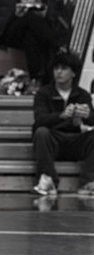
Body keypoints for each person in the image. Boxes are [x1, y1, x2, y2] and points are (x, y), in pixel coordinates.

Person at [32, 50, 94, 198]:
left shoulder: (83, 94)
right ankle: (48, 180)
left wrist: (88, 115)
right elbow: (40, 120)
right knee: (41, 132)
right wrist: (61, 116)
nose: (58, 72)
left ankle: (88, 182)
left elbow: (92, 121)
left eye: (64, 68)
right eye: (56, 68)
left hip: (75, 141)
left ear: (73, 73)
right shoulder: (43, 93)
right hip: (53, 141)